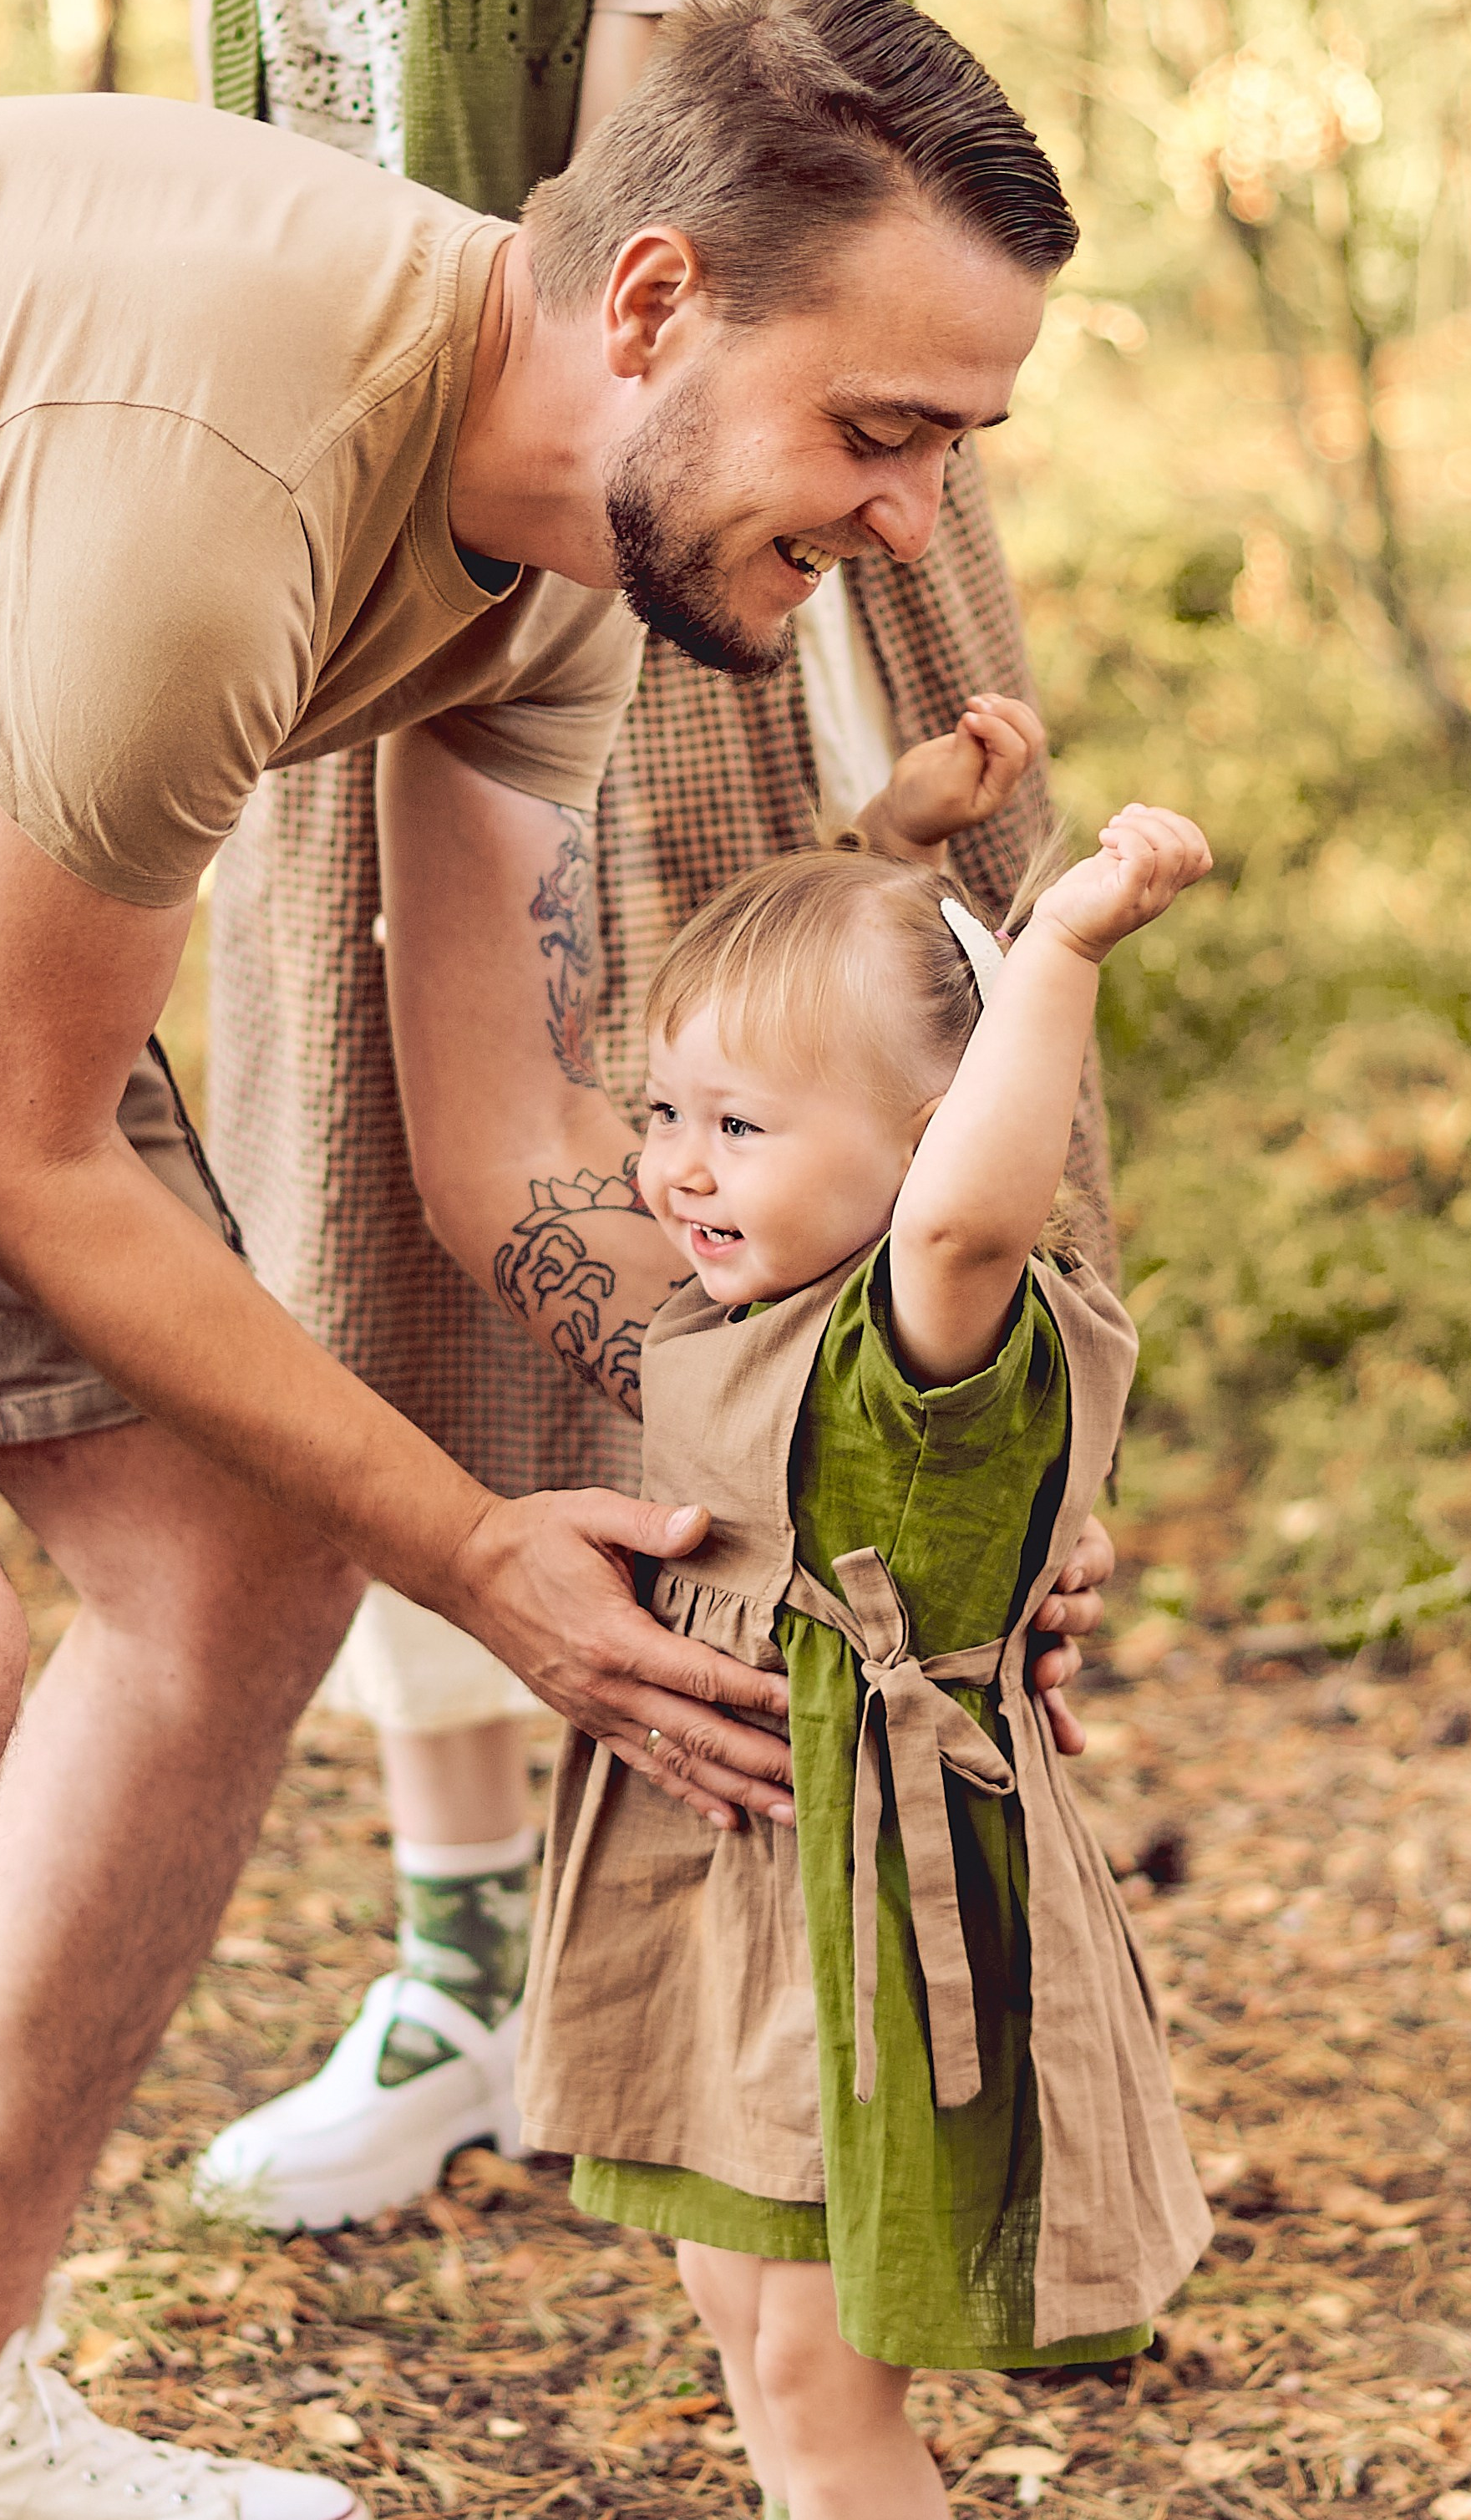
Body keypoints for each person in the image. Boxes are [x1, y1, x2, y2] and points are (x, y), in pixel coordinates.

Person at [0, 0, 1068, 2519]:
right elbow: (32, 1143)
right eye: (879, 431)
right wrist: (476, 1548)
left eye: (954, 446)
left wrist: (879, 1451)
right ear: (658, 303)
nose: (915, 521)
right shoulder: (219, 469)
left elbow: (511, 1135)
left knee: (242, 1534)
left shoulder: (590, 548)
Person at [191, 0, 1118, 2229]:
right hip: (374, 474)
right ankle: (470, 1948)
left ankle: (893, 1930)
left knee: (765, 1144)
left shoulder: (761, 431)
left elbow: (718, 127)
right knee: (372, 1230)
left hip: (658, 445)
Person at [515, 804, 1216, 2520]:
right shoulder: (743, 1313)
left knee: (823, 2376)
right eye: (667, 1114)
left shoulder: (930, 1336)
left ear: (930, 1146)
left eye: (739, 1126)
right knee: (738, 2312)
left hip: (870, 1923)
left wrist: (1053, 951)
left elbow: (967, 1223)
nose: (679, 1165)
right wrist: (878, 855)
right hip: (734, 1902)